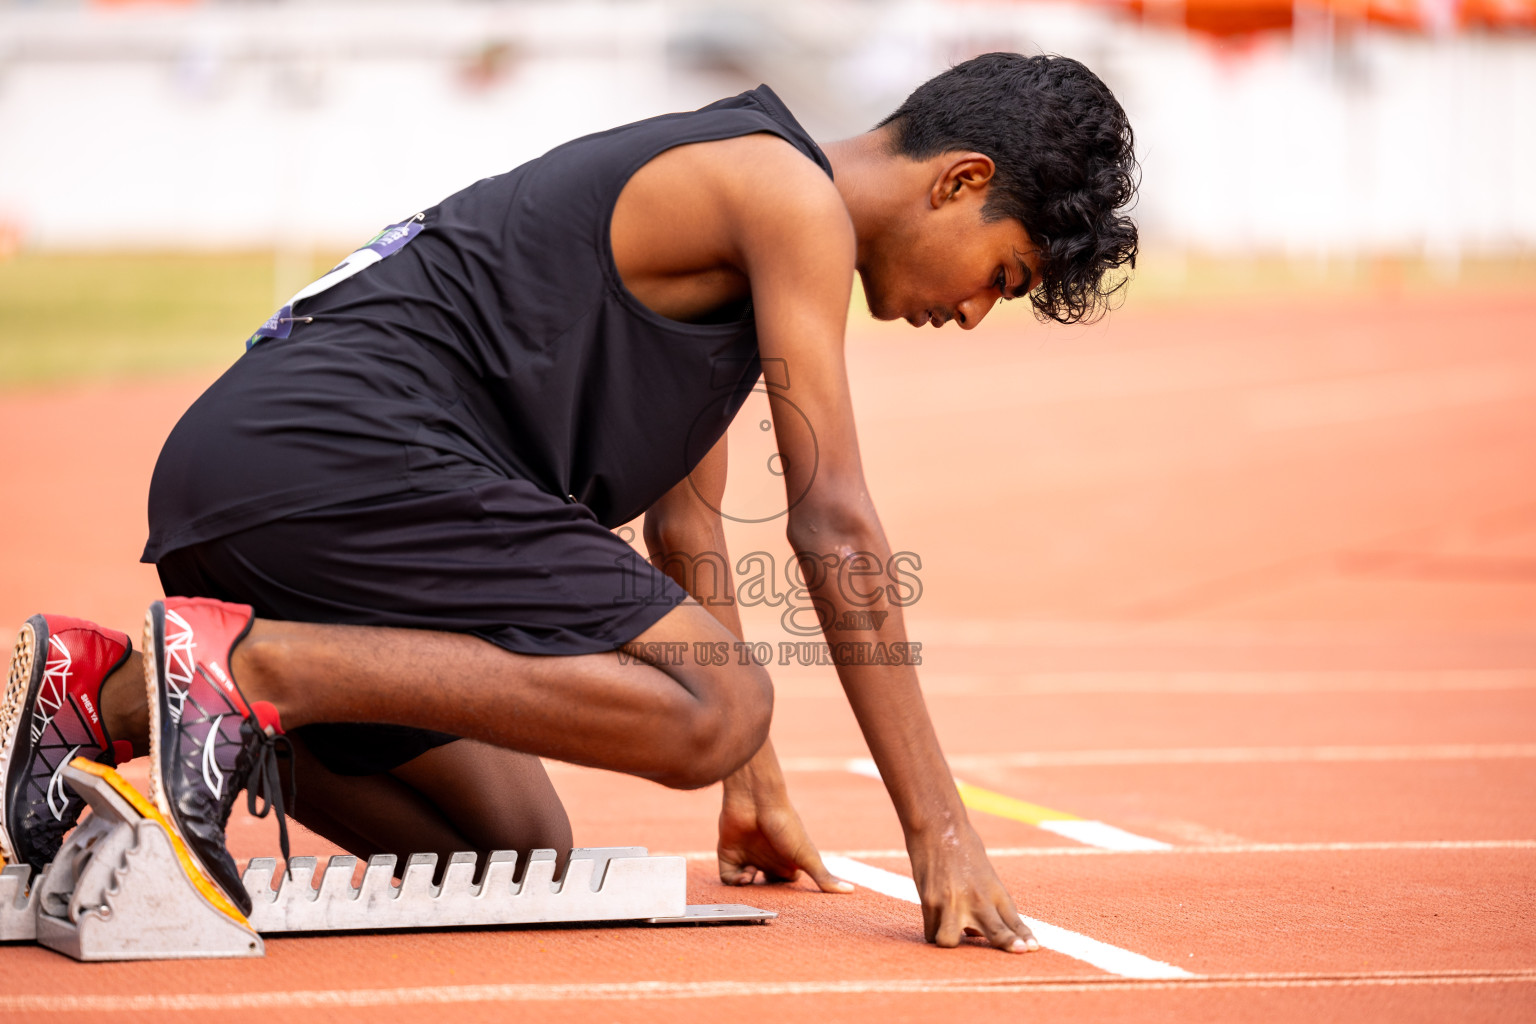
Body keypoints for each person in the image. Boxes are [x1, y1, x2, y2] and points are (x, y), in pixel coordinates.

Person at [0, 52, 1137, 953]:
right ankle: (252, 670)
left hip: (278, 475)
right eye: (1005, 275)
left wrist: (756, 790)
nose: (978, 312)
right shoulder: (782, 194)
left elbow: (688, 530)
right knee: (717, 704)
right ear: (962, 181)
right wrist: (939, 830)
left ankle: (115, 691)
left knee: (513, 849)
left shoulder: (746, 247)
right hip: (326, 459)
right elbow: (833, 518)